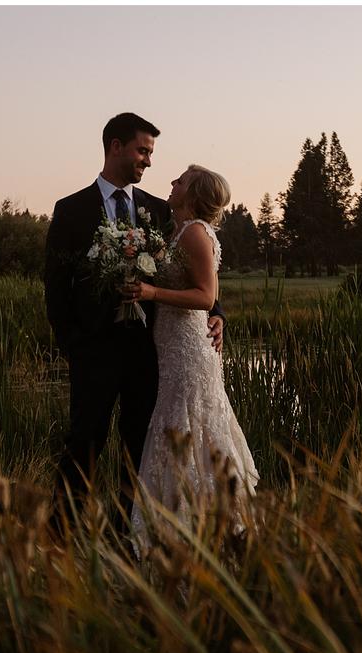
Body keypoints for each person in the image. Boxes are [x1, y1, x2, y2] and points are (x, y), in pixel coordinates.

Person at [43, 113, 225, 531]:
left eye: (151, 153)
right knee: (84, 440)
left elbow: (200, 269)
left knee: (140, 445)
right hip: (94, 349)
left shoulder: (161, 210)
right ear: (115, 146)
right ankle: (62, 532)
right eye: (143, 151)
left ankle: (128, 532)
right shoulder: (71, 210)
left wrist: (216, 314)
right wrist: (72, 342)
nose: (148, 161)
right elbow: (55, 286)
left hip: (150, 352)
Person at [122, 165, 258, 554]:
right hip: (171, 348)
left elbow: (204, 297)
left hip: (189, 350)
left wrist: (149, 292)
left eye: (179, 181)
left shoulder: (196, 232)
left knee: (192, 424)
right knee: (178, 426)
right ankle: (182, 524)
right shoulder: (178, 230)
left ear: (193, 192)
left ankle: (211, 525)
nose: (171, 183)